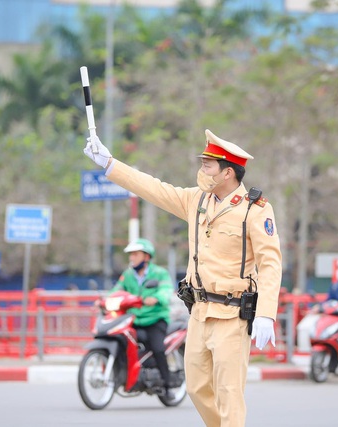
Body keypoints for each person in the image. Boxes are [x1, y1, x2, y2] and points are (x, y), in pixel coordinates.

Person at [84, 129, 282, 427]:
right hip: (199, 313)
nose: (201, 169)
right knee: (196, 387)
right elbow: (152, 188)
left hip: (231, 314)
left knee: (229, 392)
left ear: (228, 172)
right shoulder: (197, 200)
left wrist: (266, 313)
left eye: (208, 165)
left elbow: (270, 264)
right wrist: (110, 163)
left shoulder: (254, 211)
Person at [111, 238, 175, 399]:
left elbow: (166, 289)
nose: (132, 258)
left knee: (158, 348)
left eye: (135, 254)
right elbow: (116, 291)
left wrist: (157, 298)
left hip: (155, 319)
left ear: (146, 256)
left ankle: (167, 386)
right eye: (131, 254)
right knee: (121, 340)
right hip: (134, 319)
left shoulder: (159, 273)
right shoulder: (127, 275)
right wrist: (105, 301)